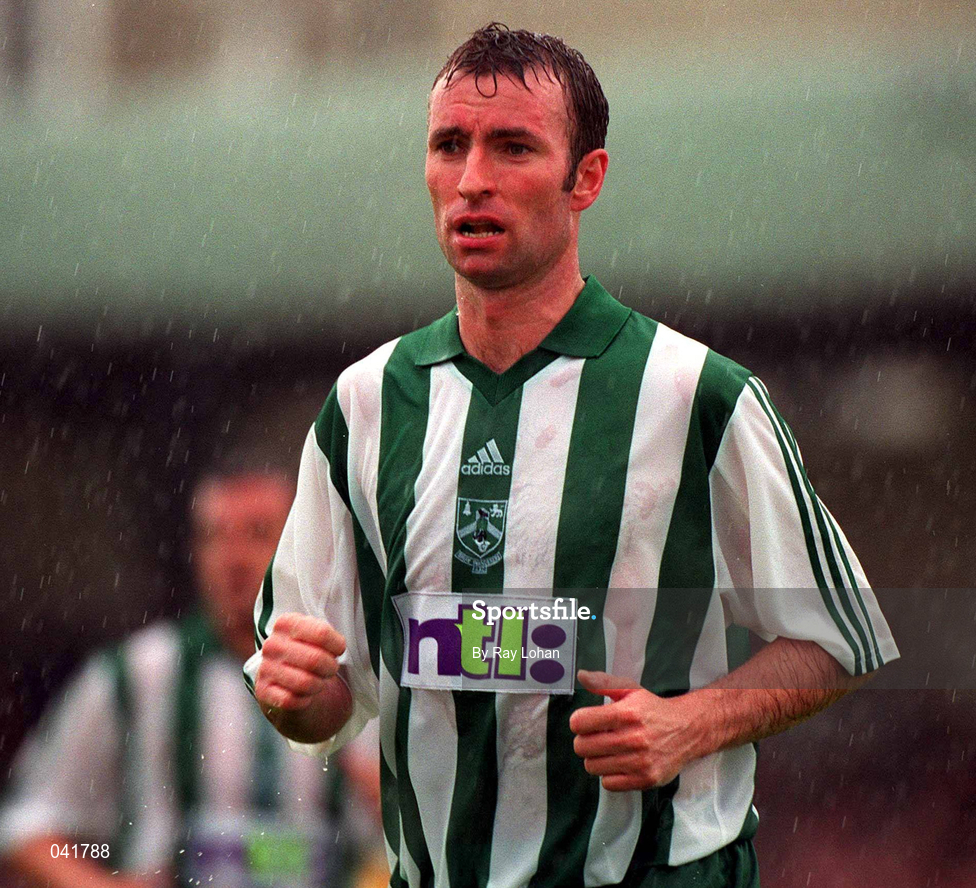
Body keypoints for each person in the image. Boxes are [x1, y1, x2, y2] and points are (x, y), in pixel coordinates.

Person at [245, 22, 900, 888]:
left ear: (585, 176)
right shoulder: (364, 405)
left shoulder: (695, 393)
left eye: (513, 146)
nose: (473, 179)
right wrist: (295, 697)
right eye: (450, 145)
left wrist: (689, 725)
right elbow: (331, 696)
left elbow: (839, 635)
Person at [0, 465, 380, 888]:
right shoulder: (136, 673)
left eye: (257, 533)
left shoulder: (358, 674)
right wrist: (102, 880)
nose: (233, 559)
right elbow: (26, 831)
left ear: (306, 544)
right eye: (214, 536)